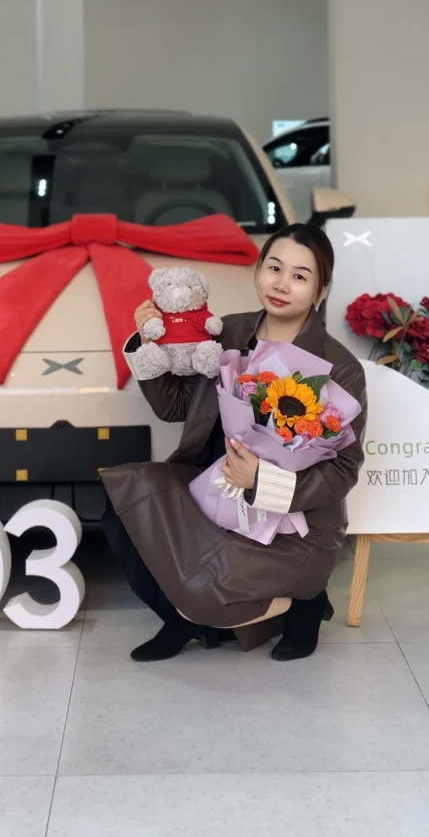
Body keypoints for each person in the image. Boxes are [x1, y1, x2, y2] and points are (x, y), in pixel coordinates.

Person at [101, 221, 367, 664]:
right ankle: (181, 618)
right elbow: (174, 407)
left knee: (217, 581)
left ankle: (304, 604)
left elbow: (343, 469)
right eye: (274, 268)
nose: (281, 284)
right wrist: (146, 344)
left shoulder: (339, 366)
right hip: (209, 486)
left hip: (292, 524)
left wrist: (261, 480)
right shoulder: (224, 332)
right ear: (259, 269)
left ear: (320, 289)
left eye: (300, 276)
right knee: (124, 501)